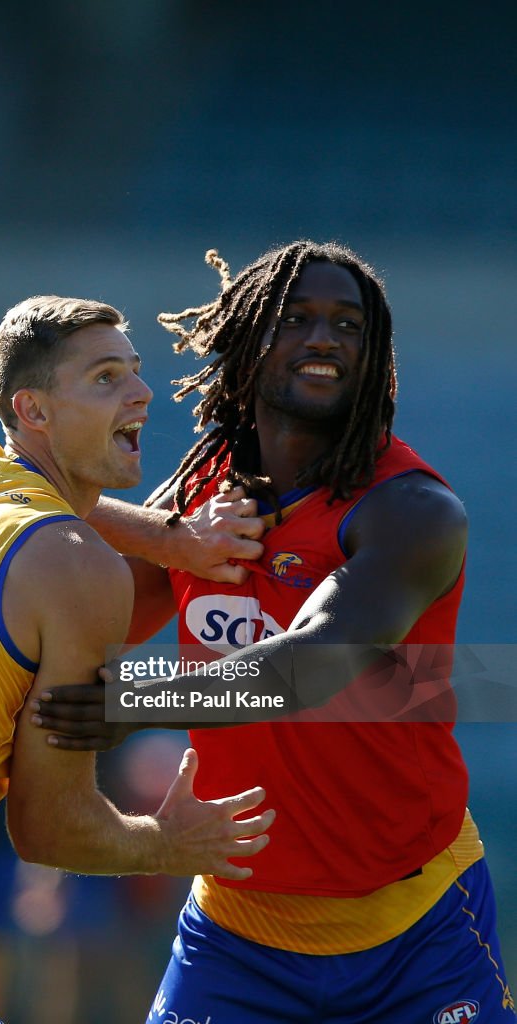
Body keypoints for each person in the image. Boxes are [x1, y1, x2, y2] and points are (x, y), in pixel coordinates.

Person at [33, 244, 516, 1023]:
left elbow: (313, 666)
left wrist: (128, 699)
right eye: (296, 319)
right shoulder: (205, 485)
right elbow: (107, 611)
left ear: (374, 356)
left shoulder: (414, 512)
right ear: (247, 341)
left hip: (413, 933)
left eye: (348, 325)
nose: (324, 338)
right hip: (237, 932)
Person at [0, 295, 276, 1024]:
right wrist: (167, 843)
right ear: (33, 410)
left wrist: (172, 541)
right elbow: (50, 829)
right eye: (105, 377)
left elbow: (53, 517)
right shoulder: (72, 567)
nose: (140, 392)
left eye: (133, 372)